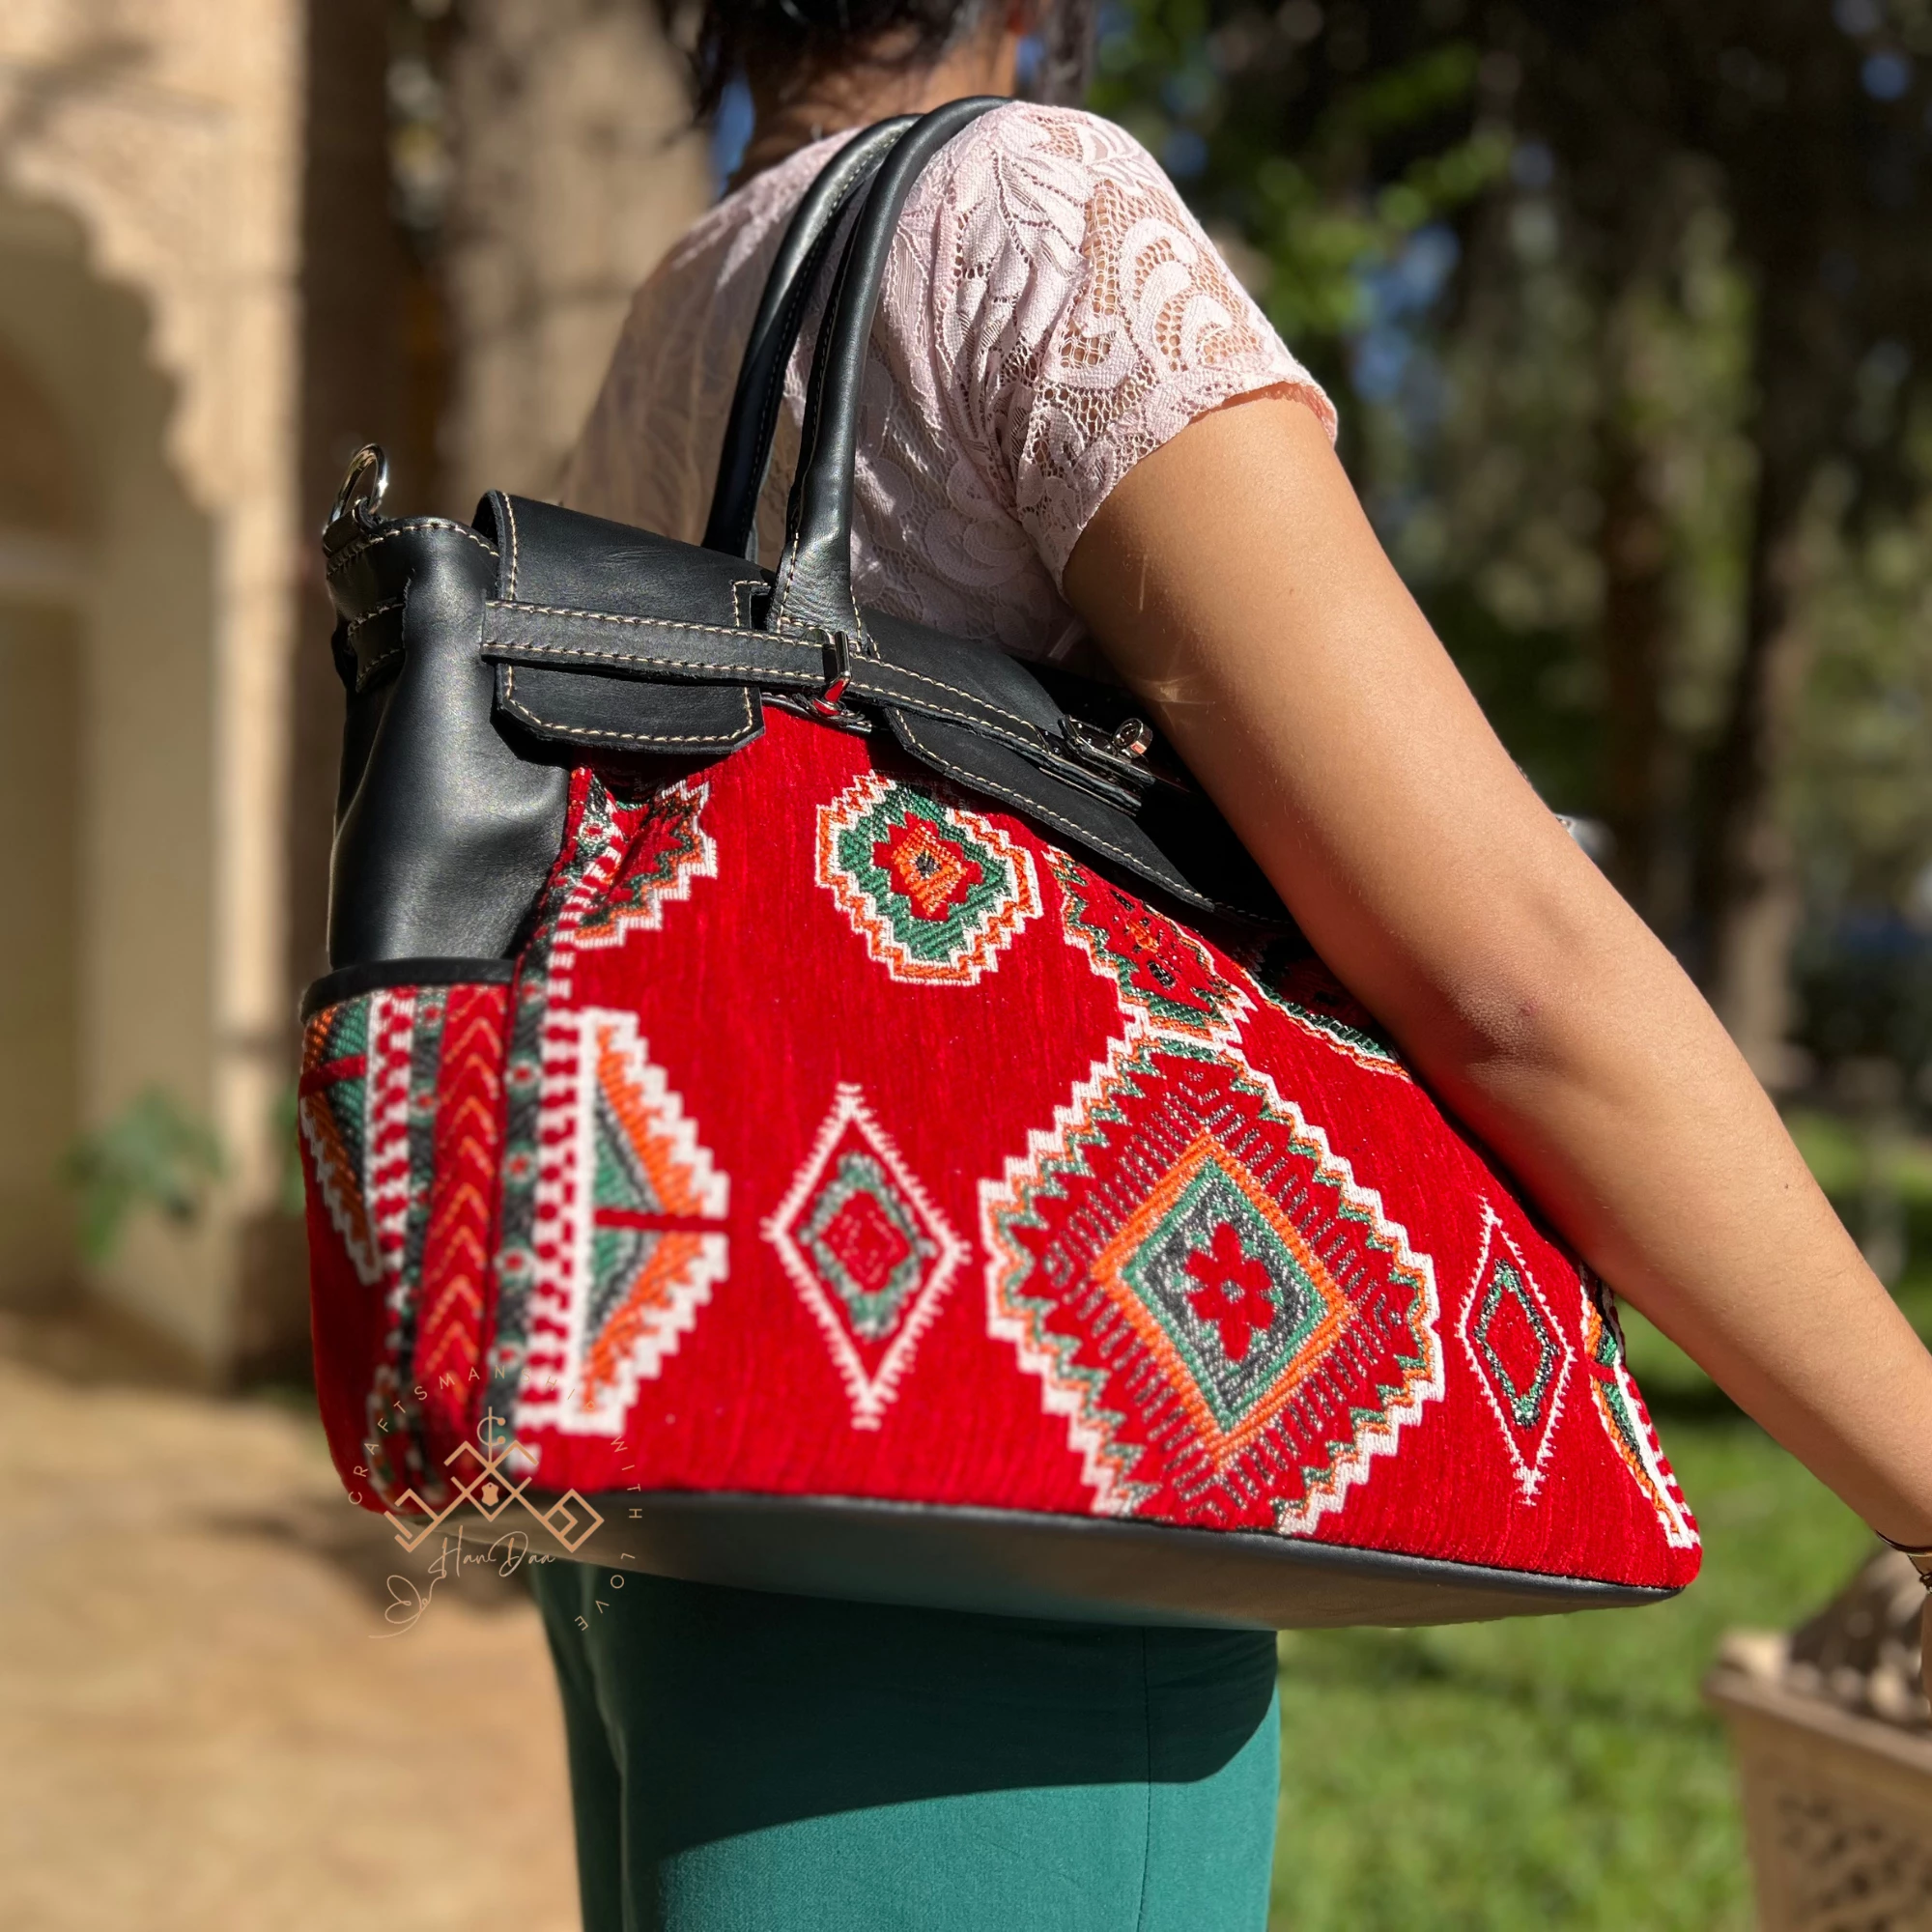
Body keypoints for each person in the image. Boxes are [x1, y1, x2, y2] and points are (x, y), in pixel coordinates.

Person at [529, 2, 1932, 1926]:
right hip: (1009, 1557)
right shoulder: (1027, 214)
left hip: (680, 1521)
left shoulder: (693, 293)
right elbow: (1508, 961)